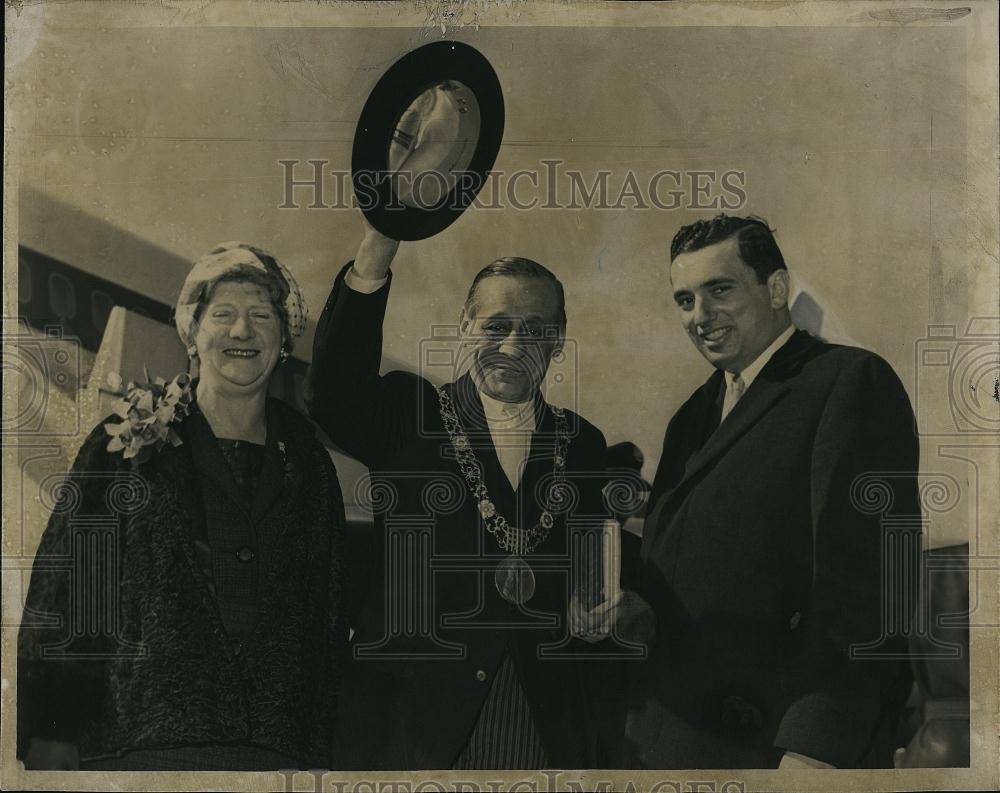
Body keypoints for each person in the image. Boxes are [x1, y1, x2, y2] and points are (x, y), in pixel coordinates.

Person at [17, 242, 348, 770]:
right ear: (192, 332)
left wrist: (318, 753)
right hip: (141, 746)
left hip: (275, 754)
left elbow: (330, 623)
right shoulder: (118, 445)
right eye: (223, 314)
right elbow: (69, 593)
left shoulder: (311, 465)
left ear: (283, 338)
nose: (243, 331)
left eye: (262, 315)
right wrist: (51, 730)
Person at [306, 223, 612, 769]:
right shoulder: (410, 412)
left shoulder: (582, 443)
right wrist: (378, 250)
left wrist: (586, 607)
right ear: (466, 328)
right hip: (407, 726)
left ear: (559, 339)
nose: (514, 346)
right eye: (496, 326)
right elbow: (333, 391)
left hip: (534, 722)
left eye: (536, 330)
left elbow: (587, 571)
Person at [623, 214, 920, 769]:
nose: (701, 317)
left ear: (777, 288)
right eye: (684, 301)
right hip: (667, 747)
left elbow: (871, 587)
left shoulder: (848, 381)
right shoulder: (690, 418)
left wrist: (815, 743)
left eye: (720, 290)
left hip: (778, 753)